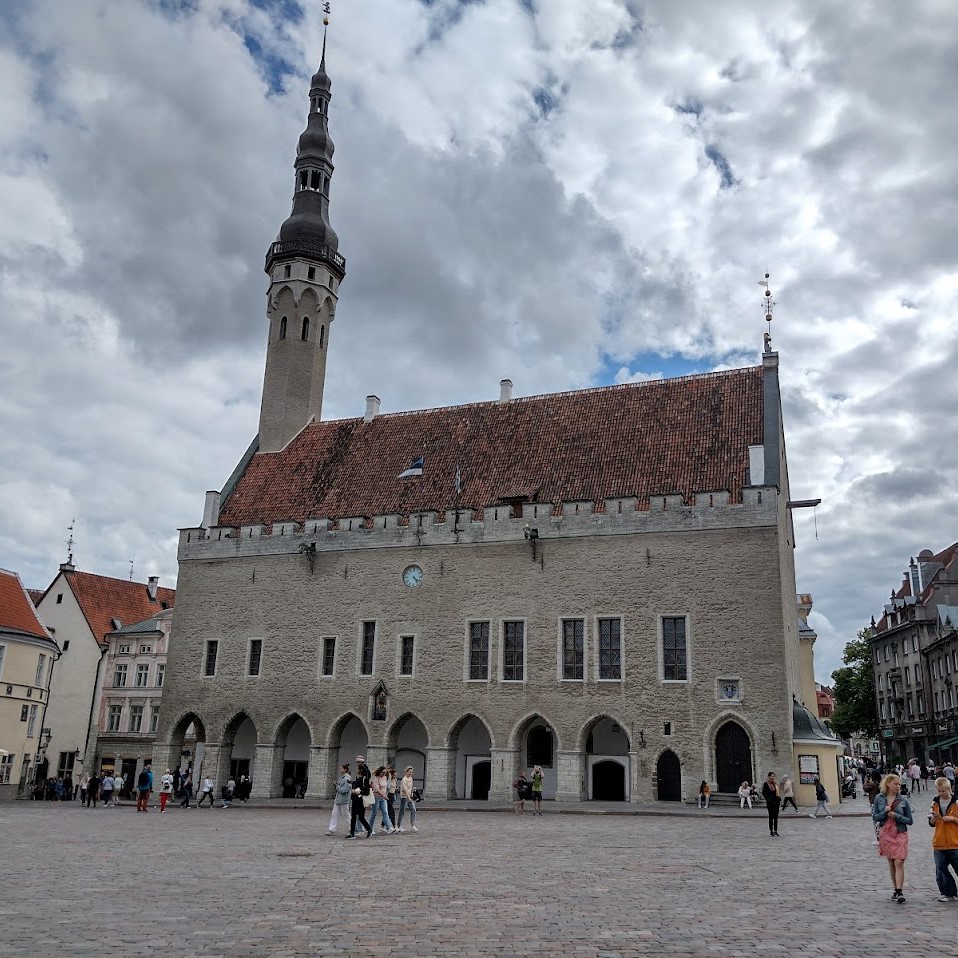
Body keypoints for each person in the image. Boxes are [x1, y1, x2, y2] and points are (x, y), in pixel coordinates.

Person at [873, 772, 913, 902]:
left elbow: (910, 820)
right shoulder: (879, 799)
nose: (898, 786)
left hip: (900, 832)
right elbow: (875, 817)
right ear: (888, 784)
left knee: (899, 861)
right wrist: (885, 811)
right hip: (886, 833)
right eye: (895, 784)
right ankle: (895, 889)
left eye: (899, 784)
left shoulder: (903, 801)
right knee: (891, 862)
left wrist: (896, 816)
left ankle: (900, 892)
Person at [929, 775, 958, 902]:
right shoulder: (934, 803)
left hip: (955, 842)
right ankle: (948, 893)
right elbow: (931, 823)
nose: (941, 793)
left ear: (949, 789)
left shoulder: (956, 803)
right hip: (939, 841)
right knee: (941, 869)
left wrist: (953, 819)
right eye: (939, 791)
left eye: (943, 791)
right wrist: (934, 818)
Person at [347, 759, 373, 839]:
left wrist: (358, 791)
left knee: (361, 817)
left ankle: (369, 829)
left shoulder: (365, 779)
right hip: (355, 800)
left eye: (358, 769)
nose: (356, 770)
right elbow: (357, 783)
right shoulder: (359, 778)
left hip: (360, 800)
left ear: (361, 770)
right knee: (353, 816)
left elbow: (366, 791)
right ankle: (352, 833)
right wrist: (352, 783)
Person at [368, 766, 394, 834]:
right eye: (383, 772)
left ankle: (389, 827)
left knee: (385, 812)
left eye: (385, 772)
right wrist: (384, 795)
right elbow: (377, 789)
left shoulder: (385, 777)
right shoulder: (375, 778)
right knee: (374, 813)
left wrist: (385, 795)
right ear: (379, 772)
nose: (384, 774)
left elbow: (386, 786)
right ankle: (370, 828)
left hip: (383, 798)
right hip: (376, 797)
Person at [328, 763, 351, 835]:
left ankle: (352, 829)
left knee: (346, 815)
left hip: (344, 800)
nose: (340, 770)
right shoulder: (342, 777)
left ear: (345, 769)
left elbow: (345, 789)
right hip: (338, 799)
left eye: (341, 768)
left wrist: (337, 787)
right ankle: (331, 829)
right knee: (334, 814)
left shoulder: (347, 778)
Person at [396, 765, 419, 833]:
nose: (411, 773)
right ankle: (399, 826)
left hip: (410, 796)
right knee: (402, 811)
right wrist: (408, 797)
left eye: (412, 772)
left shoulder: (410, 778)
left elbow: (410, 787)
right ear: (406, 772)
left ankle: (412, 825)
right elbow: (405, 789)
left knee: (413, 810)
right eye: (410, 772)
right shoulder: (404, 779)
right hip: (404, 797)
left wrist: (412, 791)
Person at [762, 772, 781, 837]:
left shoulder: (776, 784)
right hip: (770, 803)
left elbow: (777, 792)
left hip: (776, 802)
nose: (773, 777)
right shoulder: (766, 784)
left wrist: (779, 798)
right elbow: (764, 792)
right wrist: (768, 799)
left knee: (776, 817)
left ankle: (775, 830)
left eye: (774, 776)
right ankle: (771, 830)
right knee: (771, 817)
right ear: (769, 777)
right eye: (772, 776)